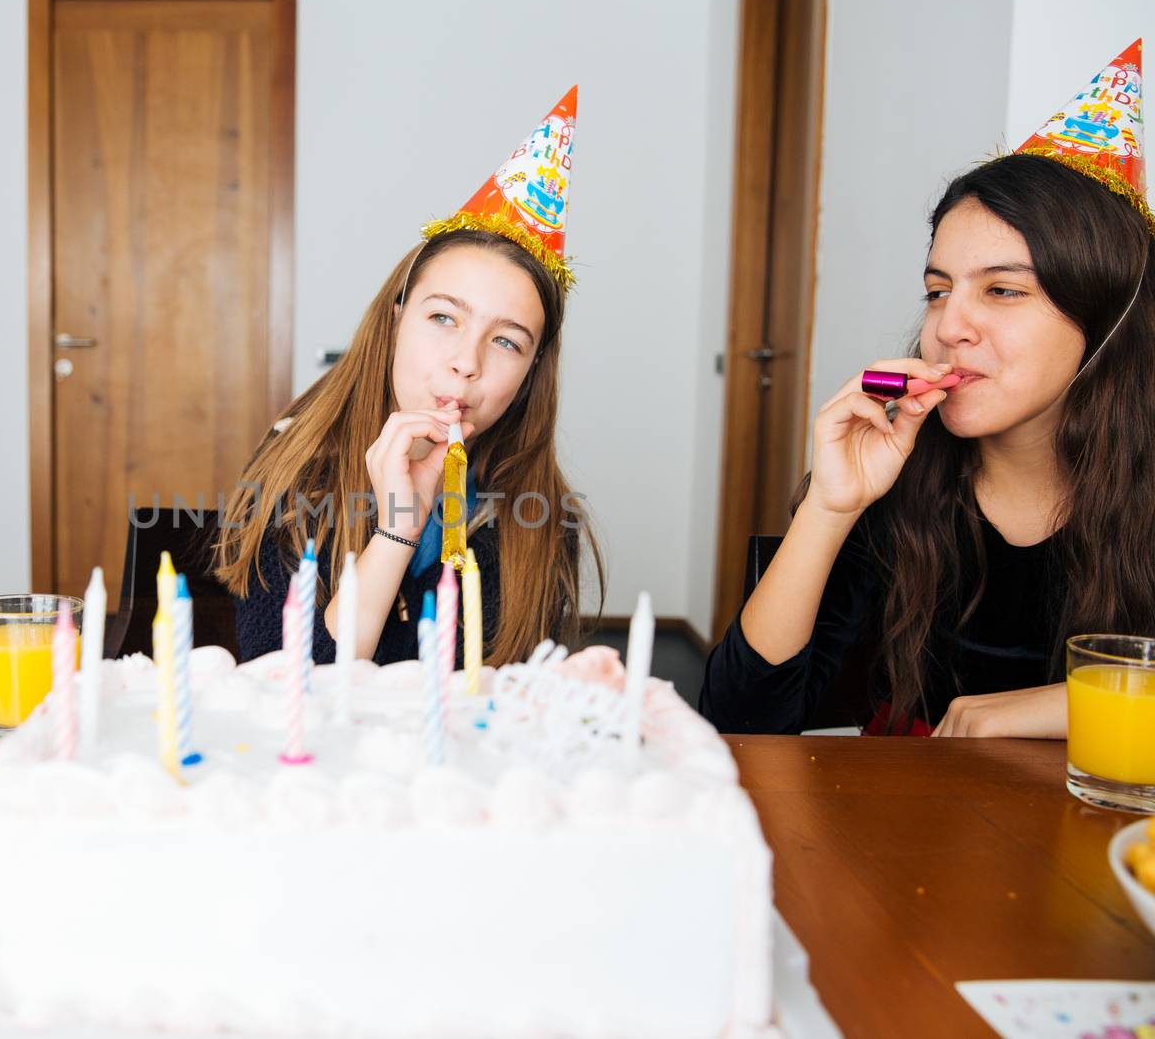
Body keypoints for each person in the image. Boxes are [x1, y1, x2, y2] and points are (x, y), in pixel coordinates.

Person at [701, 43, 1155, 737]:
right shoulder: (900, 481)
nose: (949, 327)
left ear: (1106, 320)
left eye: (1002, 290)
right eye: (938, 291)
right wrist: (829, 505)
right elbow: (739, 721)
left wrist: (1056, 706)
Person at [216, 88, 600, 666]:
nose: (466, 362)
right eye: (444, 317)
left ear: (531, 371)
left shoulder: (537, 518)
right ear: (397, 321)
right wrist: (397, 532)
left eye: (505, 341)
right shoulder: (295, 468)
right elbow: (289, 695)